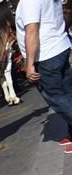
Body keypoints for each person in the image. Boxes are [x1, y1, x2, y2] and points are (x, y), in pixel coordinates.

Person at [15, 0, 72, 151]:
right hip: (60, 47)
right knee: (67, 93)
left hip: (46, 56)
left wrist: (29, 63)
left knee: (58, 99)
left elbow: (32, 30)